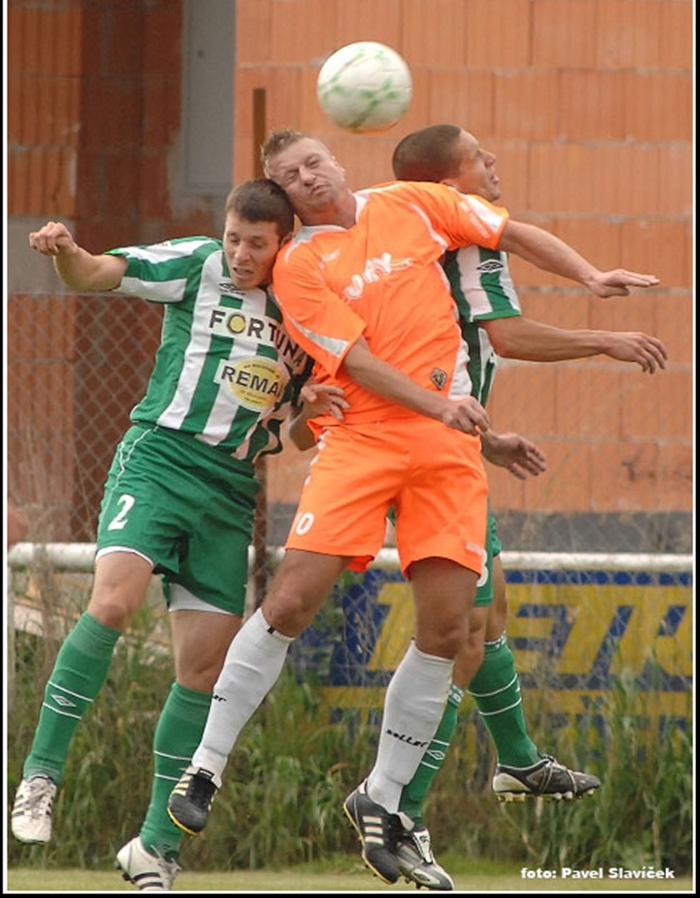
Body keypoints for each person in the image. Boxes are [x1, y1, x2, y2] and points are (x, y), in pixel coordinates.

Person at [166, 129, 662, 887]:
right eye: (289, 177)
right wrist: (442, 404)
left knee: (451, 628)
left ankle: (386, 796)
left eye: (313, 162)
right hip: (365, 437)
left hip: (447, 449)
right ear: (286, 196)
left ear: (335, 159)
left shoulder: (412, 204)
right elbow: (358, 361)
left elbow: (509, 228)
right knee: (293, 599)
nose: (307, 178)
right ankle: (205, 766)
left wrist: (591, 274)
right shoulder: (301, 262)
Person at [9, 179, 348, 893]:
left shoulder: (309, 312)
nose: (242, 252)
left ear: (283, 241)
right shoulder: (198, 264)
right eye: (234, 237)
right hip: (160, 458)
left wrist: (313, 412)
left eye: (257, 242)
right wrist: (67, 252)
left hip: (229, 489)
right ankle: (41, 773)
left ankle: (155, 848)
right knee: (112, 604)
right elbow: (101, 272)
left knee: (201, 671)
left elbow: (289, 435)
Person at [387, 123, 668, 889]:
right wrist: (602, 339)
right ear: (449, 182)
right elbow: (505, 336)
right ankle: (399, 810)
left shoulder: (403, 240)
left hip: (441, 445)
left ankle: (514, 761)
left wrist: (488, 439)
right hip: (424, 459)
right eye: (481, 156)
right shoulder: (465, 235)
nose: (495, 162)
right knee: (456, 639)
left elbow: (448, 361)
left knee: (488, 618)